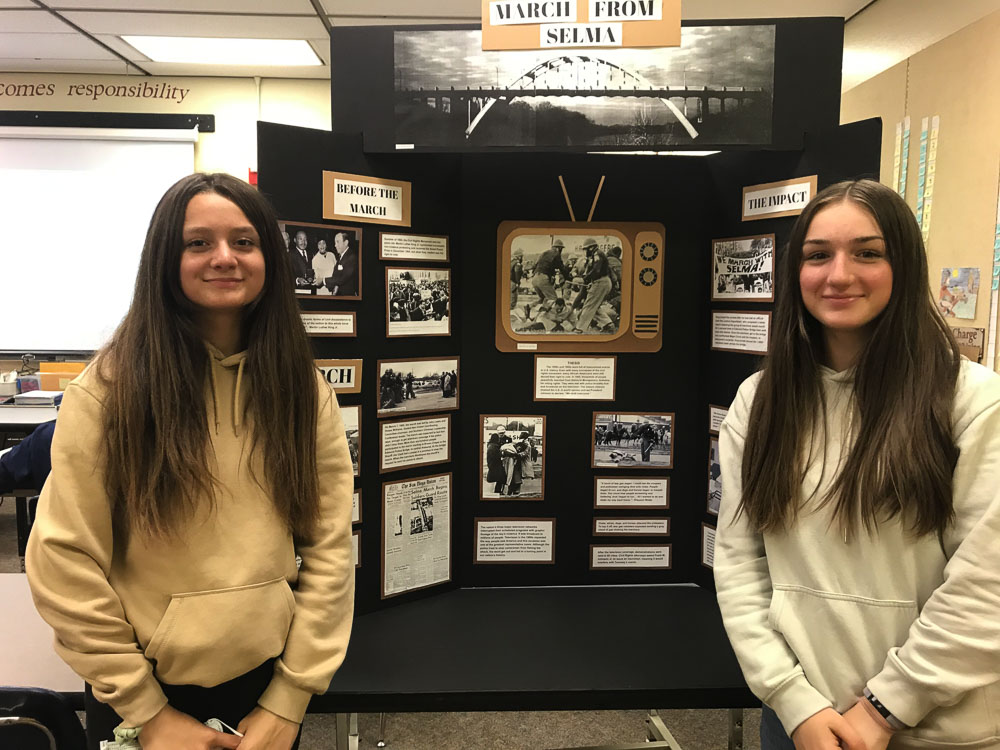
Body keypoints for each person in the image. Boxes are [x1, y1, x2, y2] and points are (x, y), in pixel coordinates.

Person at [26, 173, 356, 750]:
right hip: (144, 694)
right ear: (165, 259)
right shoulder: (109, 393)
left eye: (244, 242)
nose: (224, 258)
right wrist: (146, 713)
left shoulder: (302, 391)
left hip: (266, 687)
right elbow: (63, 561)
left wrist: (289, 698)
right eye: (198, 242)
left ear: (268, 259)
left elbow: (329, 548)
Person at [714, 179, 1000, 750]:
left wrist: (886, 709)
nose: (838, 275)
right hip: (800, 722)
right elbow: (741, 565)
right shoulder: (761, 401)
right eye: (818, 255)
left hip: (936, 731)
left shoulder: (970, 402)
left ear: (904, 266)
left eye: (867, 253)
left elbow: (986, 587)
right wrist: (793, 702)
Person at [324, 231, 357, 297]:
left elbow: (342, 278)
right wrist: (336, 286)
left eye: (338, 242)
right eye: (335, 242)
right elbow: (338, 275)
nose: (335, 245)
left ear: (346, 243)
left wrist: (323, 280)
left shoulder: (351, 257)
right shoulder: (341, 257)